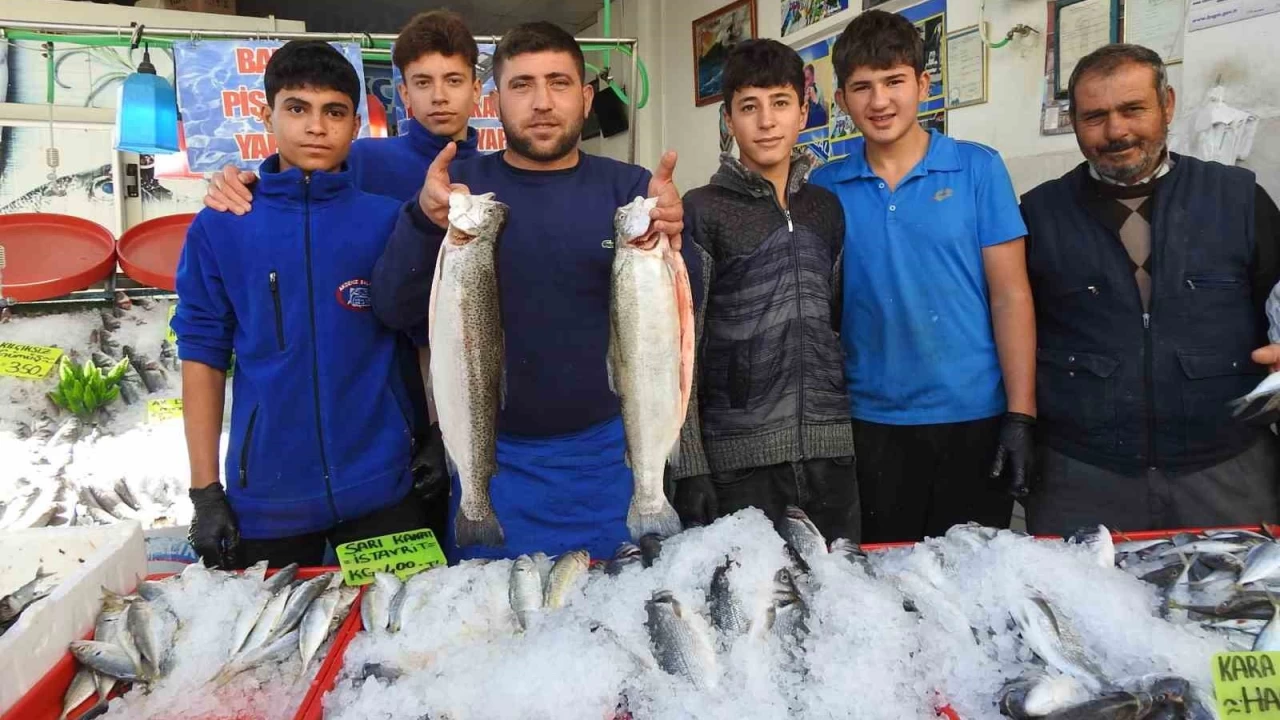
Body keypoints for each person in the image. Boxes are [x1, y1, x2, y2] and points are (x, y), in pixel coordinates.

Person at [372, 22, 699, 562]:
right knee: (499, 612)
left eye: (558, 83)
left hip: (613, 457)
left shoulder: (630, 190)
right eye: (521, 85)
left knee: (616, 607)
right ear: (495, 100)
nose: (542, 102)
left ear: (586, 98)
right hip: (491, 459)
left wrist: (677, 240)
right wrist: (424, 222)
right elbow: (392, 307)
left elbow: (684, 317)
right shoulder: (460, 191)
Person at [201, 10, 485, 544]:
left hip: (398, 458)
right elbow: (297, 185)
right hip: (278, 477)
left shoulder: (494, 174)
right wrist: (233, 181)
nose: (439, 96)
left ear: (477, 87)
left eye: (453, 80)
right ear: (402, 93)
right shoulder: (364, 161)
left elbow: (427, 329)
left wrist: (437, 429)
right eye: (423, 82)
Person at [173, 41, 428, 569]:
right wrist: (205, 491)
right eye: (297, 108)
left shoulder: (388, 221)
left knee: (401, 623)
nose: (316, 127)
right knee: (274, 627)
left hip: (385, 489)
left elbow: (425, 339)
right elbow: (202, 355)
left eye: (333, 112)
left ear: (355, 125)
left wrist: (437, 437)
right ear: (267, 116)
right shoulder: (222, 224)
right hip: (268, 501)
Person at [1020, 44, 1280, 534]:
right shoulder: (1038, 214)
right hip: (1081, 475)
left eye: (1132, 109)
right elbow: (1007, 328)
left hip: (1226, 469)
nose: (1116, 131)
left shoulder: (1239, 198)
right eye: (1095, 116)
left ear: (1168, 104)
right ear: (1073, 122)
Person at [809, 10, 1037, 543]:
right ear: (841, 100)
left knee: (972, 577)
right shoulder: (825, 187)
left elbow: (1010, 295)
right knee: (885, 574)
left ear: (923, 85)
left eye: (894, 81)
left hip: (973, 416)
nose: (880, 101)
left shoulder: (978, 169)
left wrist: (1021, 415)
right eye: (862, 87)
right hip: (868, 421)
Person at [672, 39, 859, 542]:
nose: (767, 121)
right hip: (738, 464)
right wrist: (690, 464)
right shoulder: (702, 210)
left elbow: (833, 324)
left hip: (830, 457)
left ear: (804, 110)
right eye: (749, 107)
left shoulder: (826, 208)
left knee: (837, 586)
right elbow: (684, 347)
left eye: (780, 103)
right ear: (728, 120)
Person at [802, 64, 828, 130]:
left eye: (807, 79)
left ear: (813, 78)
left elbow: (823, 119)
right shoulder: (798, 93)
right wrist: (804, 102)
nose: (804, 83)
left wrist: (815, 100)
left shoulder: (819, 91)